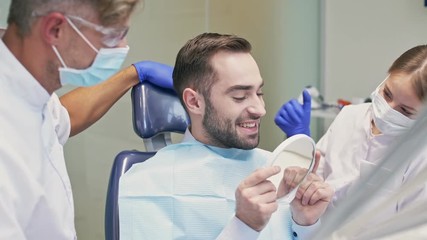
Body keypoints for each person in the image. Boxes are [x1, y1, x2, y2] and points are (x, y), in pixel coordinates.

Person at [119, 32, 333, 239]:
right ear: (194, 102)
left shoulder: (279, 172)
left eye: (259, 93)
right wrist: (244, 227)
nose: (260, 110)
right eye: (240, 96)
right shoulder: (148, 184)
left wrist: (306, 225)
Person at [0, 0, 174, 239]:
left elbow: (63, 117)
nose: (123, 47)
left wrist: (134, 74)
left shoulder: (28, 83)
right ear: (55, 29)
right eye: (114, 36)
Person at [275, 45, 427, 225]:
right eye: (387, 94)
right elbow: (314, 177)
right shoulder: (350, 116)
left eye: (405, 110)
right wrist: (300, 143)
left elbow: (411, 231)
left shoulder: (420, 154)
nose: (387, 110)